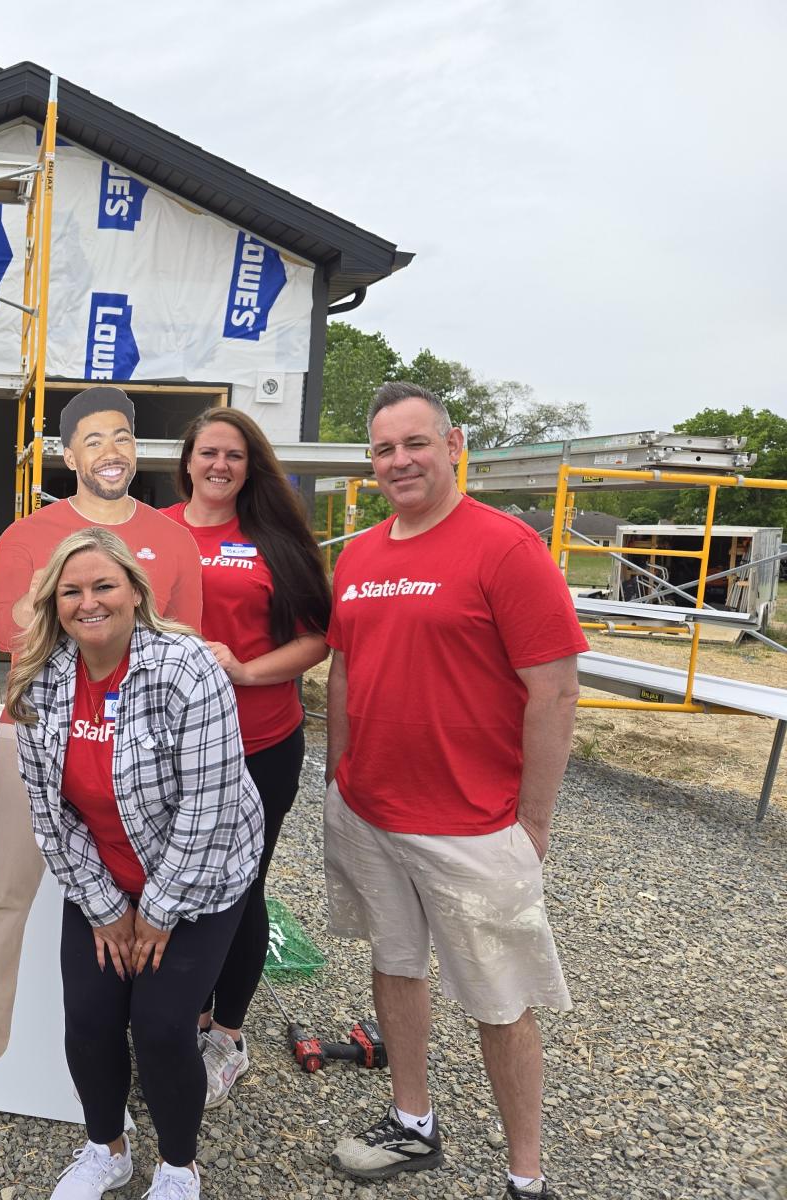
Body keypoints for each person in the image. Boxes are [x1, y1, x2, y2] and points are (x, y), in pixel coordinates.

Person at [325, 382, 584, 1200]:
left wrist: (532, 822)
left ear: (453, 444)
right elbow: (344, 669)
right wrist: (338, 774)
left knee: (499, 1001)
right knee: (396, 966)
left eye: (415, 444)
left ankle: (526, 1176)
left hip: (471, 824)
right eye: (384, 450)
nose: (399, 461)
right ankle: (412, 1123)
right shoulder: (361, 553)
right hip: (369, 811)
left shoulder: (505, 549)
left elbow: (555, 691)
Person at [0, 384, 202, 1102]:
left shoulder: (175, 539)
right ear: (66, 453)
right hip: (39, 734)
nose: (109, 453)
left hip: (141, 744)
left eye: (121, 438)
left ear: (135, 448)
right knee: (8, 888)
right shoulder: (27, 537)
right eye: (93, 440)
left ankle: (145, 1045)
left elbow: (185, 642)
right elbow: (6, 635)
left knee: (149, 894)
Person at [7, 527, 261, 1200]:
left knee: (159, 1024)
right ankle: (106, 1150)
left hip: (202, 878)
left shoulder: (185, 666)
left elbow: (209, 807)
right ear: (54, 603)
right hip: (106, 878)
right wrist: (104, 906)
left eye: (104, 586)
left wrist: (155, 912)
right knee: (89, 1017)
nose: (89, 603)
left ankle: (178, 1167)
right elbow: (51, 814)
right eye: (72, 591)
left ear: (135, 593)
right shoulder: (38, 679)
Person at [160, 405, 332, 1109]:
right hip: (167, 747)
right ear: (189, 461)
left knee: (239, 887)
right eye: (208, 453)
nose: (219, 466)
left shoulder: (272, 539)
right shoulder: (153, 533)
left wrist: (245, 669)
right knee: (177, 886)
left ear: (250, 465)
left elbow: (317, 639)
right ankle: (186, 1016)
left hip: (257, 741)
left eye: (234, 455)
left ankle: (225, 1035)